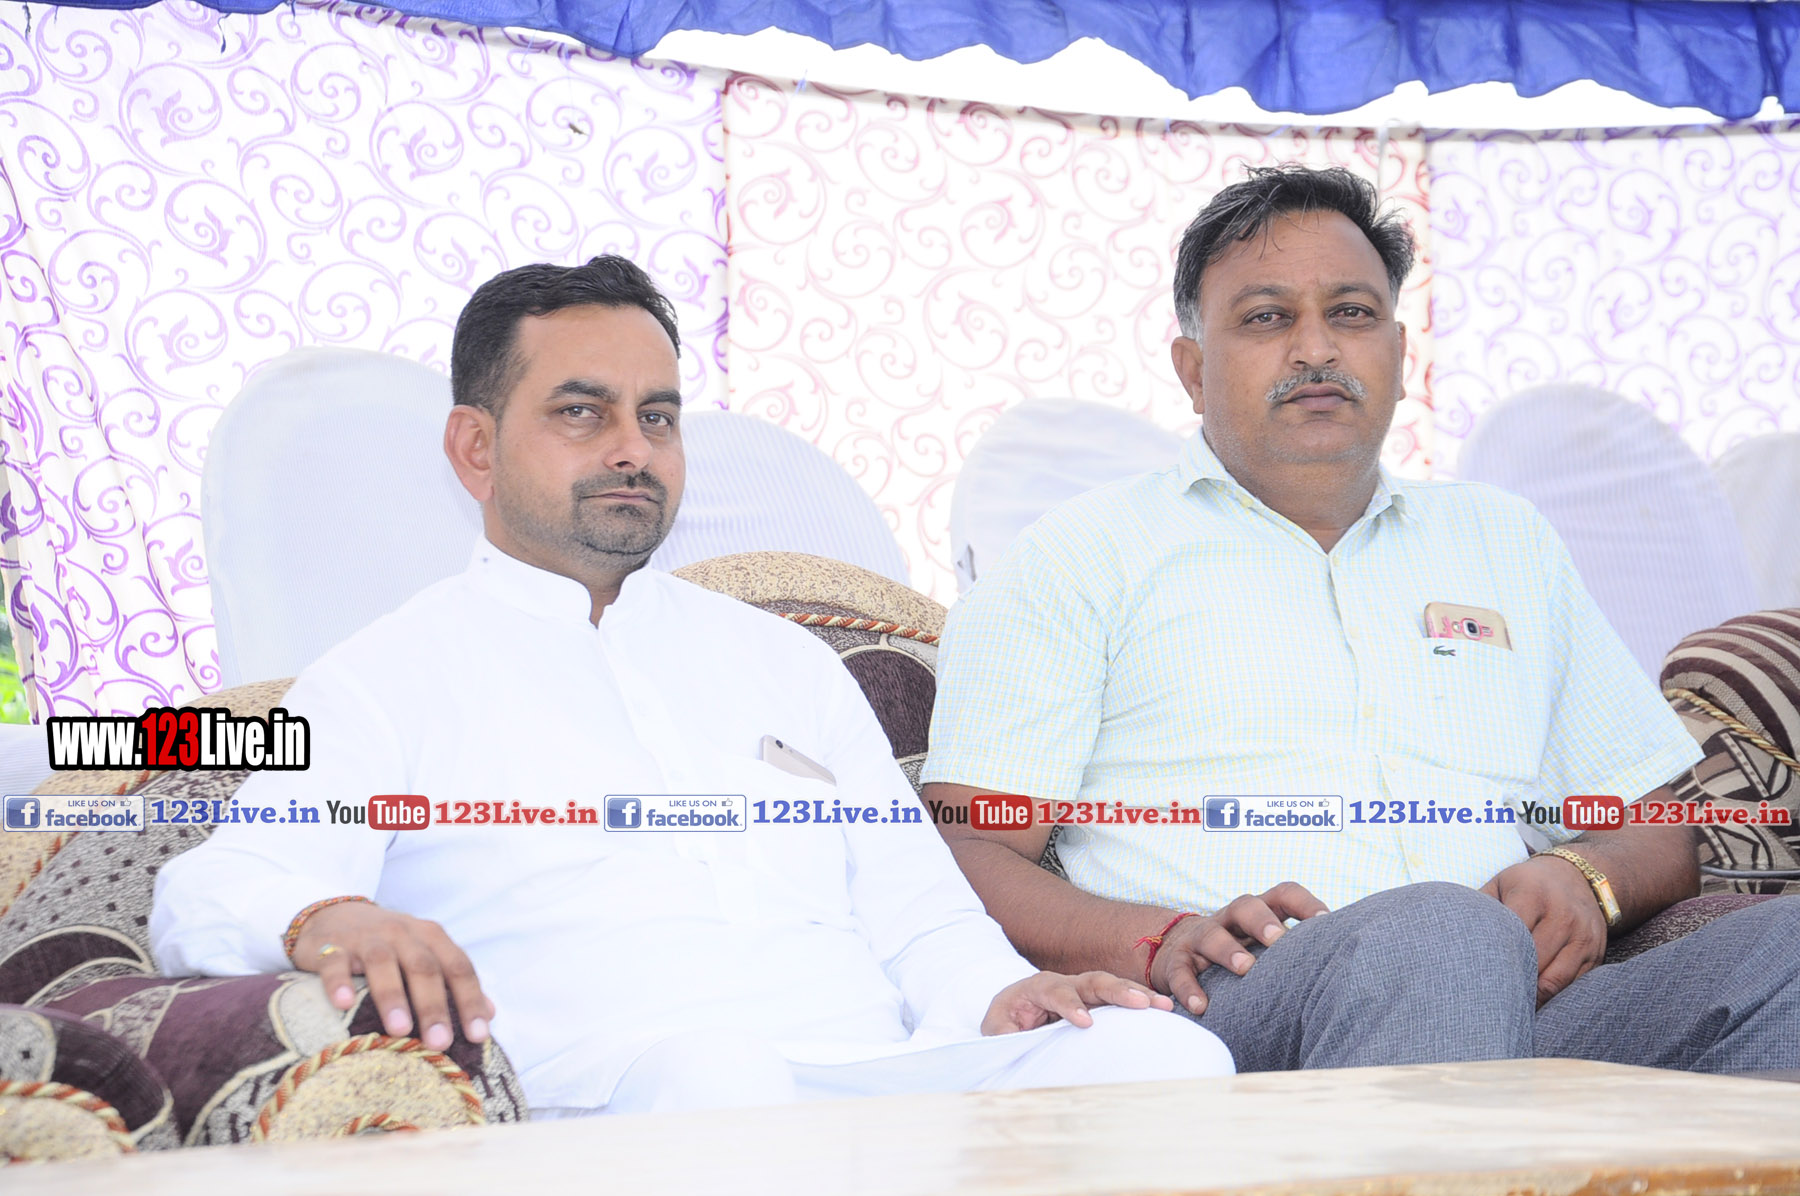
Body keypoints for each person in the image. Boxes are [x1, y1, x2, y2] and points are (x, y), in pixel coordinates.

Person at [150, 256, 1232, 1117]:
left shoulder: (785, 660)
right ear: (475, 448)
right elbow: (212, 890)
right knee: (723, 1076)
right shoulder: (383, 677)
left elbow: (921, 914)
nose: (634, 448)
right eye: (582, 413)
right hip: (625, 1095)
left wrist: (1002, 994)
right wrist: (329, 913)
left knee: (1166, 1059)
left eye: (658, 416)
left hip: (887, 1078)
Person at [922, 165, 1800, 1074]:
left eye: (1351, 312)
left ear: (1398, 350)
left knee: (1787, 951)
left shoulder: (1505, 541)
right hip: (1234, 1007)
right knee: (1443, 930)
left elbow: (1654, 822)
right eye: (1267, 317)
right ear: (1192, 371)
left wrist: (1588, 878)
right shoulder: (1082, 553)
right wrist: (1156, 937)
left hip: (1524, 1000)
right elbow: (964, 844)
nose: (1317, 348)